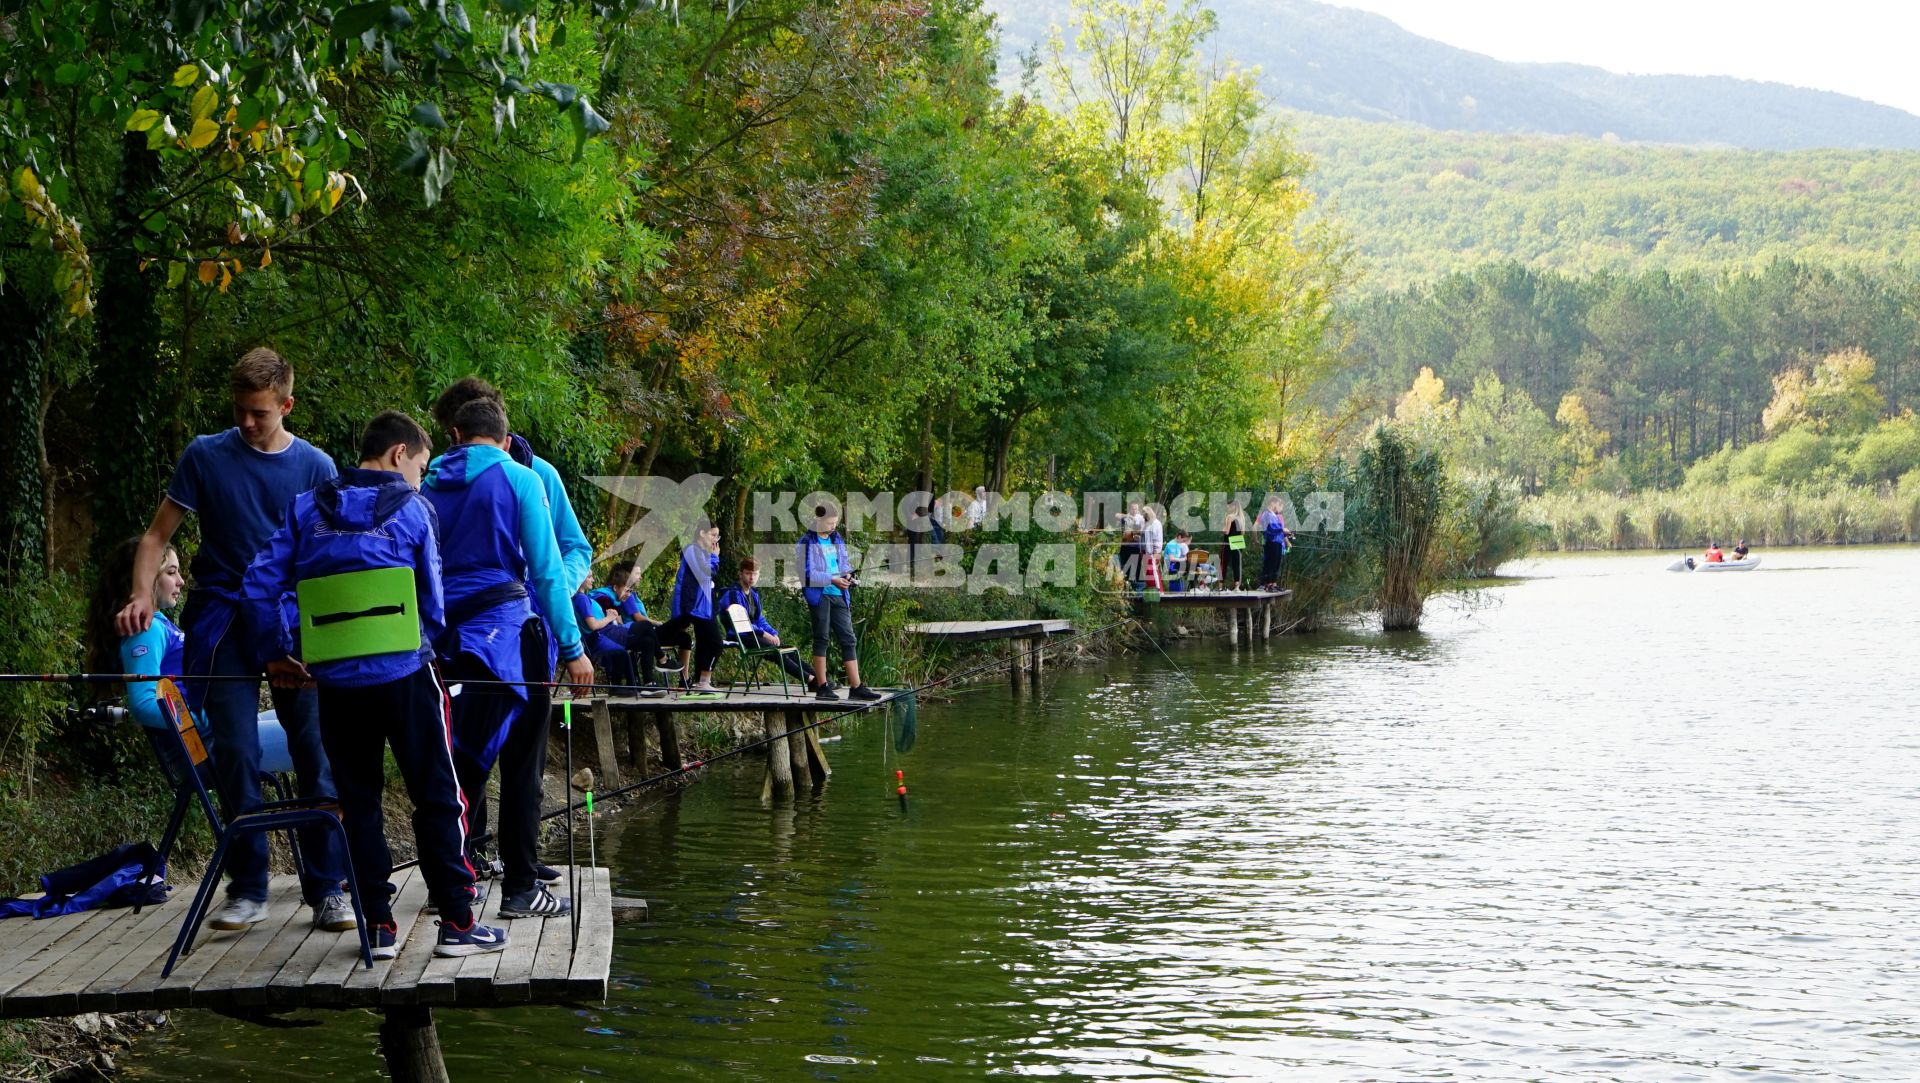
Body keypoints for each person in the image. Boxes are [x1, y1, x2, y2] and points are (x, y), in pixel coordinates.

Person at [242, 411, 506, 960]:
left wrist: (278, 653)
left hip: (335, 686)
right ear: (397, 455)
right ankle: (457, 922)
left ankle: (378, 927)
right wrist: (417, 645)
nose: (421, 478)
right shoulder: (414, 511)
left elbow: (258, 586)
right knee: (437, 795)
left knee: (357, 802)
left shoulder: (304, 510)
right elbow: (433, 606)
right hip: (407, 678)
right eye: (421, 466)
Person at [112, 348, 352, 934]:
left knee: (315, 749)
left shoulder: (317, 467)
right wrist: (143, 594)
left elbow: (335, 557)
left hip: (295, 623)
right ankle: (247, 888)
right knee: (235, 750)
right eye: (240, 410)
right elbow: (154, 537)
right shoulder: (205, 455)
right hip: (223, 618)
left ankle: (329, 889)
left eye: (260, 413)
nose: (246, 422)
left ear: (286, 406)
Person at [423, 397, 591, 920]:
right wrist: (573, 648)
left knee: (461, 764)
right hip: (512, 643)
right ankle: (521, 887)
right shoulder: (523, 481)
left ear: (454, 435)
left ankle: (450, 883)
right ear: (503, 437)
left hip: (448, 643)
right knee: (522, 767)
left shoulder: (425, 488)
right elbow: (544, 573)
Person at [89, 538, 192, 776]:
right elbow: (143, 705)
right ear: (144, 578)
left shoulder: (160, 625)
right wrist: (206, 720)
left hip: (217, 738)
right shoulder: (146, 631)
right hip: (207, 748)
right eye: (171, 572)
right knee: (296, 732)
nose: (181, 581)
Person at [798, 503, 882, 702]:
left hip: (839, 595)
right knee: (822, 640)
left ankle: (856, 687)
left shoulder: (837, 539)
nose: (833, 526)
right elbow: (807, 574)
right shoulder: (806, 542)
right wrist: (832, 579)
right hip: (820, 596)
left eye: (835, 523)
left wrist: (847, 577)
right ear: (818, 520)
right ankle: (822, 686)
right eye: (829, 523)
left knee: (849, 639)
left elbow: (843, 565)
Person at [716, 557, 811, 684]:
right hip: (740, 635)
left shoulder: (753, 594)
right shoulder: (733, 594)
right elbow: (742, 623)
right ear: (740, 574)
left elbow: (759, 619)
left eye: (755, 573)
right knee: (776, 653)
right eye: (748, 573)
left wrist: (772, 633)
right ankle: (810, 680)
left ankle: (820, 680)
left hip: (754, 634)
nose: (752, 577)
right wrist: (764, 634)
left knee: (789, 650)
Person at [659, 520, 725, 693]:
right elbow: (706, 572)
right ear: (701, 533)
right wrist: (715, 557)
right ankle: (703, 680)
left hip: (703, 608)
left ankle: (699, 681)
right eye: (713, 534)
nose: (715, 539)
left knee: (704, 642)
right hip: (692, 607)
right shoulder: (692, 550)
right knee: (716, 643)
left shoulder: (702, 552)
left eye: (717, 535)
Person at [573, 572, 636, 689]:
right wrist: (609, 618)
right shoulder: (581, 599)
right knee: (623, 652)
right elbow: (593, 625)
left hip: (591, 639)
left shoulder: (579, 598)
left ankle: (623, 688)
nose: (593, 580)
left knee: (623, 651)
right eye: (589, 577)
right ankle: (629, 689)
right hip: (592, 639)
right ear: (580, 578)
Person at [1255, 495, 1292, 590]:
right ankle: (1267, 584)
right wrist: (1282, 529)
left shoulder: (1272, 515)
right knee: (1271, 564)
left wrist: (1286, 534)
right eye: (1279, 506)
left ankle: (1272, 584)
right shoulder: (1267, 514)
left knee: (1275, 564)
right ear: (1273, 503)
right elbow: (1271, 528)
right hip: (1272, 542)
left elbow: (1277, 529)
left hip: (1277, 542)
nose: (1280, 509)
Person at [1221, 500, 1248, 590]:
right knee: (1237, 564)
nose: (1227, 508)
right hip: (1239, 541)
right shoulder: (1242, 518)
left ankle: (1221, 585)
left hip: (1228, 541)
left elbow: (1227, 531)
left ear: (1233, 507)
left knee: (1223, 562)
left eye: (1229, 506)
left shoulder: (1229, 517)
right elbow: (1243, 532)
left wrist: (1223, 528)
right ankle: (1237, 586)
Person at [1139, 506, 1164, 592]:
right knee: (1148, 574)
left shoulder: (1155, 523)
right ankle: (1151, 591)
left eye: (1144, 515)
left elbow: (1156, 538)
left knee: (1153, 573)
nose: (1143, 517)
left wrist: (1156, 551)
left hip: (1152, 553)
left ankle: (1159, 592)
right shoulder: (1146, 524)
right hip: (1145, 552)